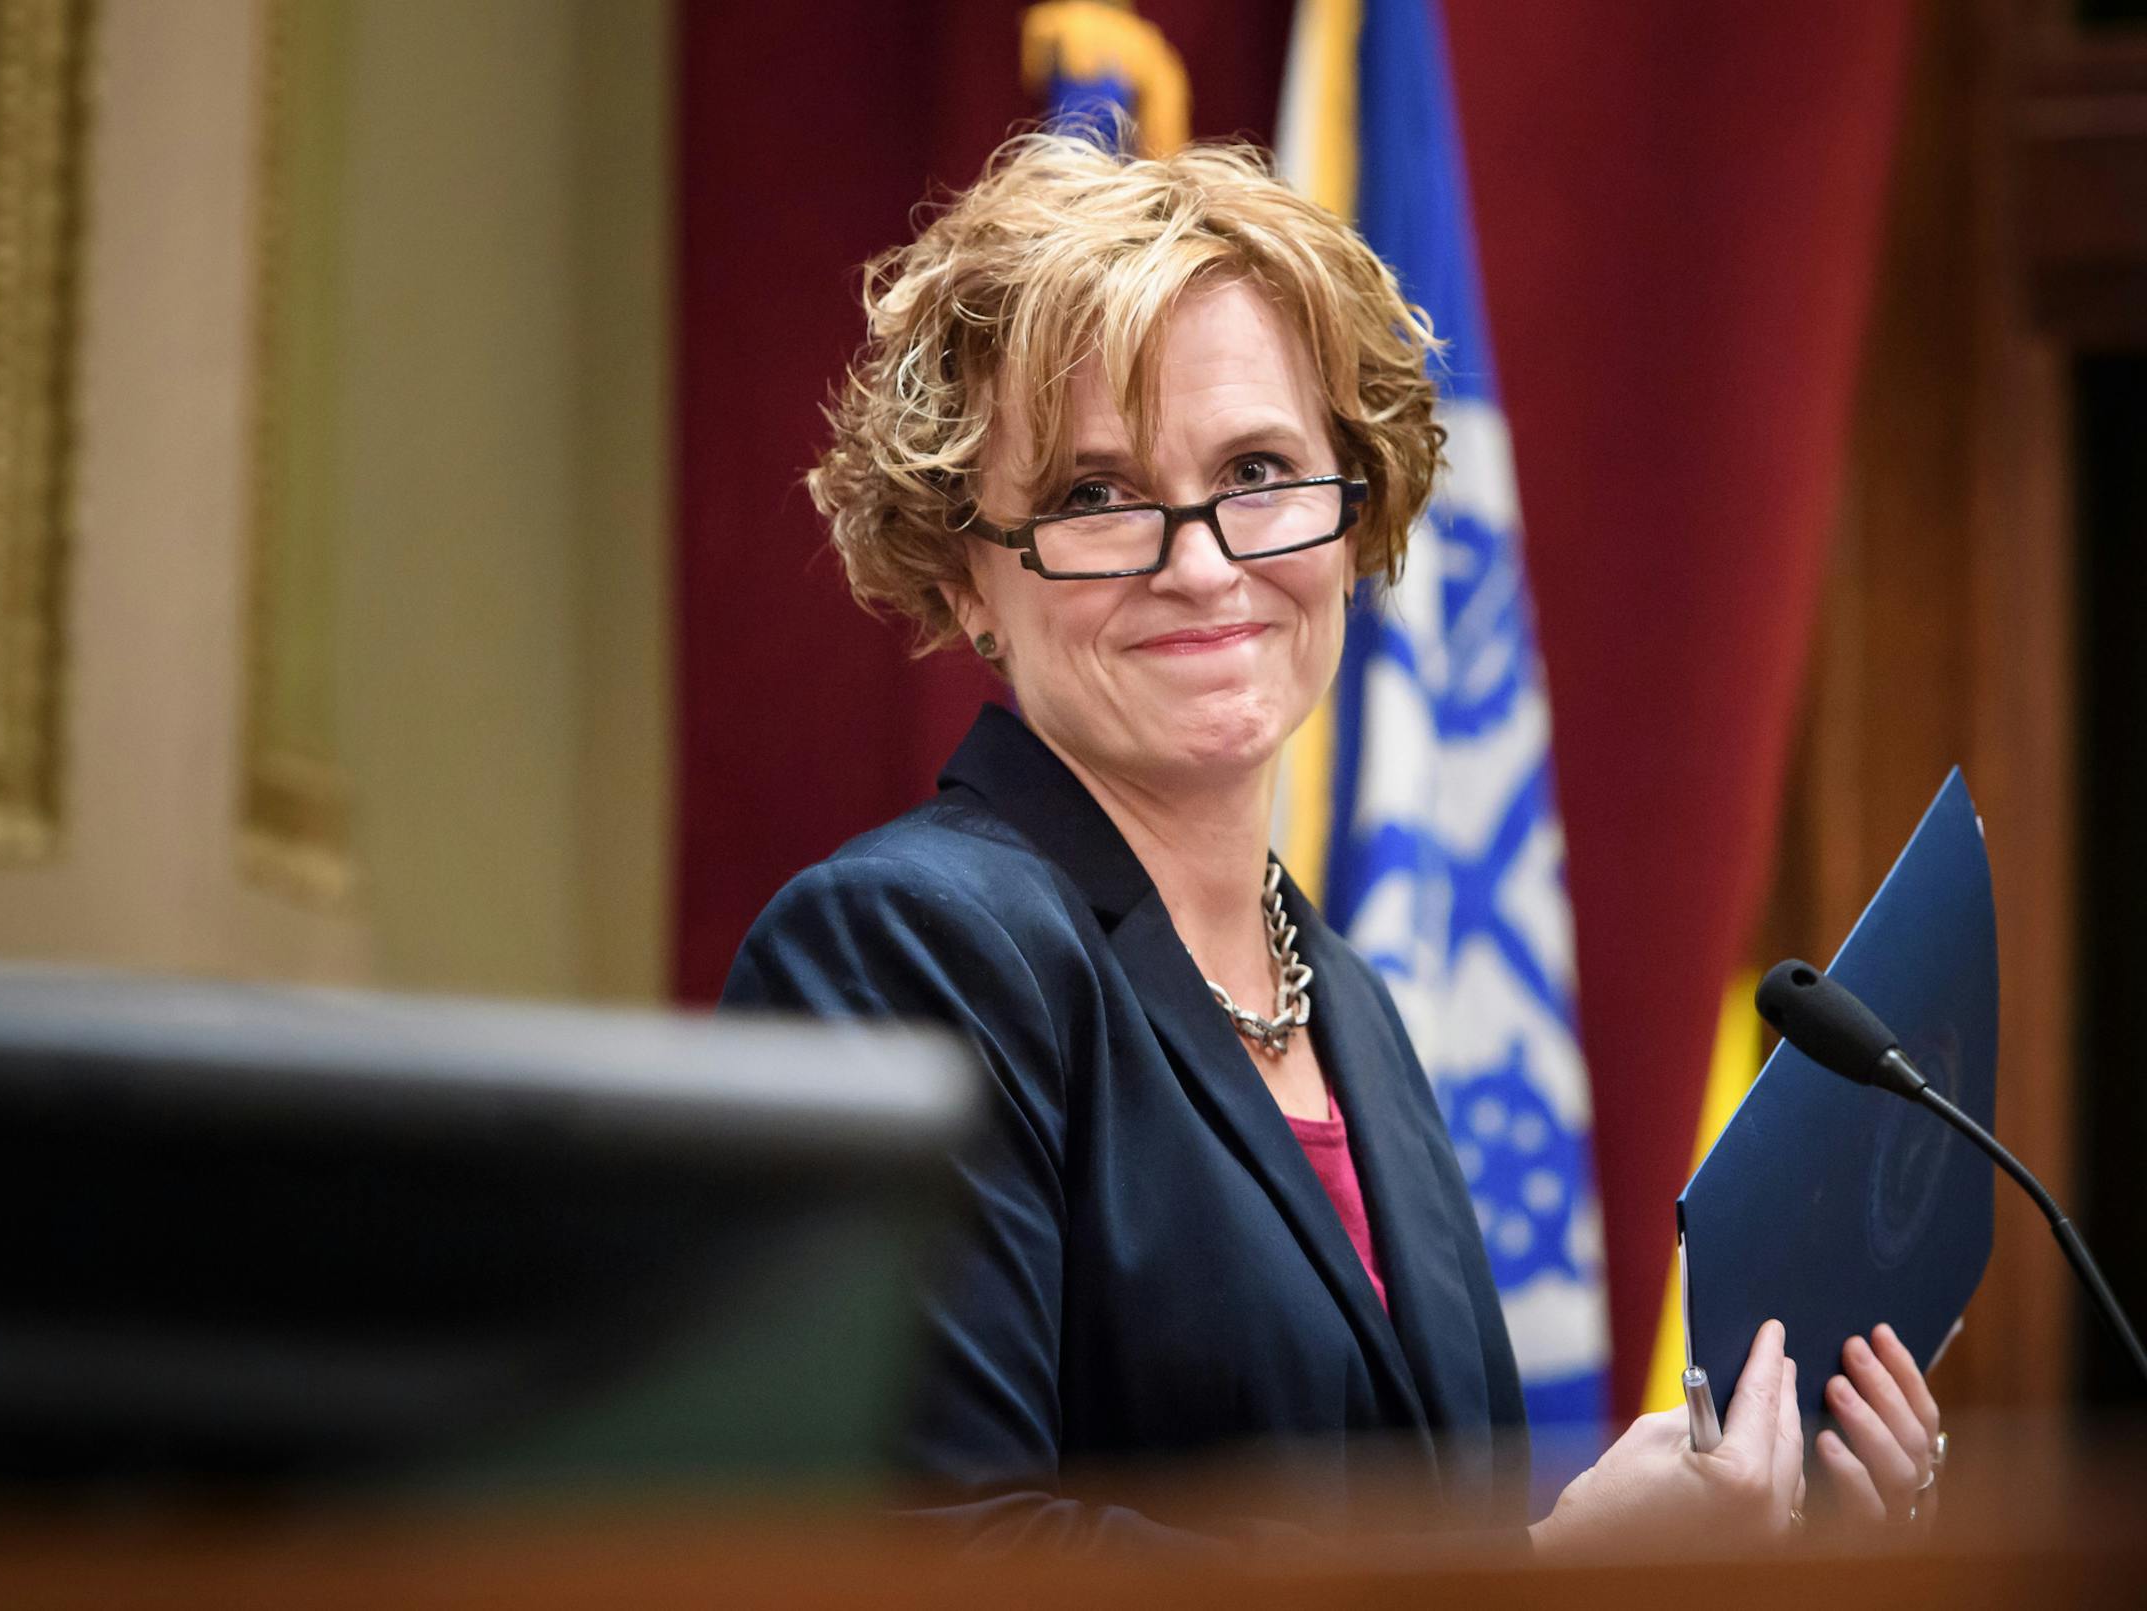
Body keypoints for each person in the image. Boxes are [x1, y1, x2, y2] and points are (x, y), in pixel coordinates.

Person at [722, 132, 1943, 1554]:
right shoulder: (902, 949)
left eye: (1258, 469)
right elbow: (938, 1560)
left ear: (1356, 515)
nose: (1200, 562)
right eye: (1094, 497)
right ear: (966, 572)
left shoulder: (1349, 1002)